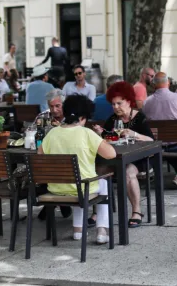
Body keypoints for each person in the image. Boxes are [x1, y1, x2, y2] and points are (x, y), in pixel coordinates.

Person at [40, 94, 117, 245]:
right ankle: (102, 230)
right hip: (81, 188)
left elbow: (40, 156)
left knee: (78, 181)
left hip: (56, 188)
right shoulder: (86, 133)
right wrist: (99, 138)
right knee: (101, 183)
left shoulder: (52, 133)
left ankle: (78, 230)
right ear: (83, 117)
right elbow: (111, 154)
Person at [93, 81, 154, 228]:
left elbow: (151, 140)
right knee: (99, 171)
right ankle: (98, 212)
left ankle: (136, 211)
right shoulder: (113, 119)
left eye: (119, 103)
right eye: (113, 104)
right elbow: (108, 138)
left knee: (128, 173)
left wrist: (134, 134)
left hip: (139, 157)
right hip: (118, 158)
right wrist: (101, 134)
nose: (115, 107)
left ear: (128, 101)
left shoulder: (140, 118)